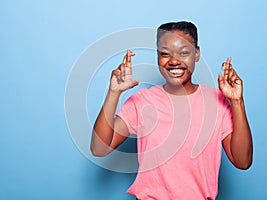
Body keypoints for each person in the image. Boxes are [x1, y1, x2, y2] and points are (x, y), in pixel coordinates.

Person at [90, 21, 253, 200]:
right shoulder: (143, 101)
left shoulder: (216, 103)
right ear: (158, 56)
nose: (174, 61)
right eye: (165, 54)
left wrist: (237, 102)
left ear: (196, 54)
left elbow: (242, 161)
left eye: (184, 52)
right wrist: (114, 92)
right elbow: (99, 148)